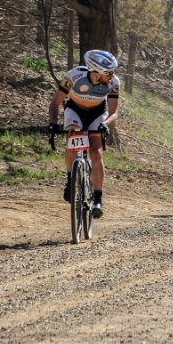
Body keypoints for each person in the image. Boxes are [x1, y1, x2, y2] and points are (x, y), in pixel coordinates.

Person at [50, 50, 120, 218]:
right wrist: (53, 124)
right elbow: (55, 103)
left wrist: (105, 124)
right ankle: (70, 180)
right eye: (108, 73)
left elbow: (114, 112)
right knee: (72, 142)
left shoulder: (113, 82)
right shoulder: (73, 76)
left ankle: (97, 198)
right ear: (96, 72)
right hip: (75, 110)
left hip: (97, 113)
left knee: (95, 152)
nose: (112, 76)